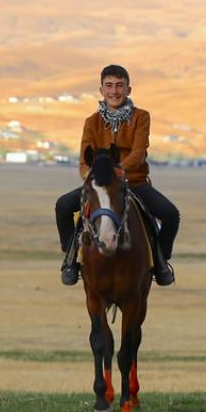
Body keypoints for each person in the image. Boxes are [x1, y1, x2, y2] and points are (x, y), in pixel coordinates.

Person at [55, 65, 179, 287]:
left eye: (120, 86)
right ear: (101, 90)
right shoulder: (91, 122)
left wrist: (118, 173)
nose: (114, 91)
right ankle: (71, 258)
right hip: (100, 184)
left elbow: (138, 153)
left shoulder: (141, 117)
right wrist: (91, 178)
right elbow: (84, 159)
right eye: (109, 85)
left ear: (128, 90)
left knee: (170, 214)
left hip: (134, 182)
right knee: (63, 206)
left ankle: (161, 262)